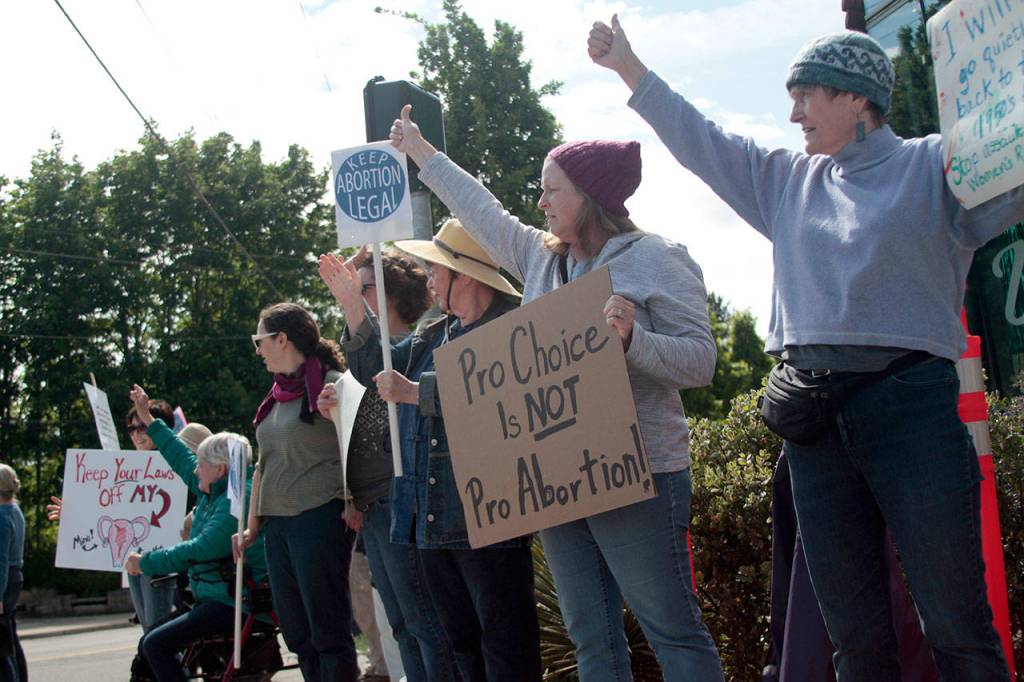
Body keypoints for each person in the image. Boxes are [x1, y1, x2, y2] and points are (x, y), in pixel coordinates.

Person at [588, 16, 1024, 682]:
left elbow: (1012, 175)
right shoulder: (784, 181)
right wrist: (630, 67)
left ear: (857, 98)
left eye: (806, 94)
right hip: (812, 425)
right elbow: (701, 140)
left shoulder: (935, 165)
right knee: (853, 641)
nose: (792, 113)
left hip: (913, 414)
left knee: (958, 628)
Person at [389, 91, 721, 680]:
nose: (540, 201)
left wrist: (632, 341)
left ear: (590, 196)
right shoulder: (539, 259)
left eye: (552, 189)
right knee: (591, 640)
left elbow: (699, 364)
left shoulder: (659, 259)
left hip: (639, 477)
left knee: (672, 631)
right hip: (559, 483)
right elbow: (480, 209)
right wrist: (421, 154)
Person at [319, 220, 543, 681]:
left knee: (505, 643)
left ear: (466, 275)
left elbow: (500, 389)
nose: (429, 278)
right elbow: (374, 368)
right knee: (462, 644)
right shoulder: (432, 334)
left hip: (491, 517)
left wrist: (417, 393)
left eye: (437, 269)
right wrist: (351, 305)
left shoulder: (514, 323)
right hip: (434, 518)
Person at [317, 249, 456, 682]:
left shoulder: (420, 346)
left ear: (391, 295)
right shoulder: (368, 359)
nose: (353, 295)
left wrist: (349, 305)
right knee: (401, 625)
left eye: (363, 288)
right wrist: (336, 411)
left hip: (403, 499)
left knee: (424, 623)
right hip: (374, 505)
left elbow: (381, 366)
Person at [233, 302, 358, 682]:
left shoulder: (334, 384)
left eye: (260, 340)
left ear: (282, 339)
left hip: (318, 518)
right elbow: (264, 465)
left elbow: (358, 446)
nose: (257, 349)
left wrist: (355, 502)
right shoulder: (275, 396)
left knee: (327, 631)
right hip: (278, 527)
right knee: (297, 632)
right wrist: (252, 527)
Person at [123, 387, 266, 682]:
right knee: (149, 643)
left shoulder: (235, 501)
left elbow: (200, 548)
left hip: (235, 601)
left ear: (222, 468)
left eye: (201, 465)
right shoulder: (218, 487)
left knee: (155, 644)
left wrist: (145, 562)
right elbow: (178, 457)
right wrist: (147, 417)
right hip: (215, 596)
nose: (195, 471)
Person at [49, 399, 181, 633]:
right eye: (131, 428)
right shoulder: (128, 469)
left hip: (162, 563)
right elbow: (112, 515)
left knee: (159, 634)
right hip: (134, 563)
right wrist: (74, 517)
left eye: (143, 427)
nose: (136, 435)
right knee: (149, 632)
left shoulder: (176, 465)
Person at [0, 465, 25, 682]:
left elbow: (0, 560)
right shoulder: (14, 510)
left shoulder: (0, 516)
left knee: (1, 648)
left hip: (4, 579)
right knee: (11, 639)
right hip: (15, 575)